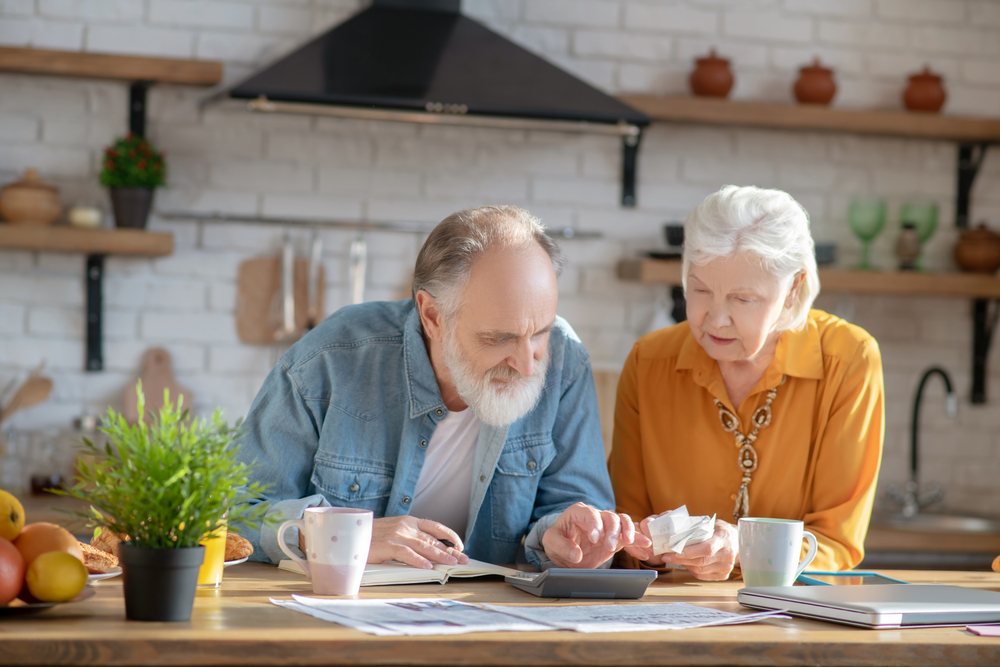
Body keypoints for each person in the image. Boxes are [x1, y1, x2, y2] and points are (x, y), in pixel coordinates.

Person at [238, 205, 649, 571]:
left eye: (539, 332)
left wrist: (570, 539)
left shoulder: (564, 358)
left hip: (493, 622)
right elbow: (234, 512)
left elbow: (572, 512)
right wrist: (344, 536)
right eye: (499, 338)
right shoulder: (328, 360)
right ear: (432, 315)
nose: (527, 363)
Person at [611, 185, 884, 579]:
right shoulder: (649, 360)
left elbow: (838, 542)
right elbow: (628, 527)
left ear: (793, 289)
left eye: (743, 299)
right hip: (668, 608)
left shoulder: (848, 359)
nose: (715, 318)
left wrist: (744, 548)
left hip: (794, 612)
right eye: (700, 290)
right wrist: (636, 544)